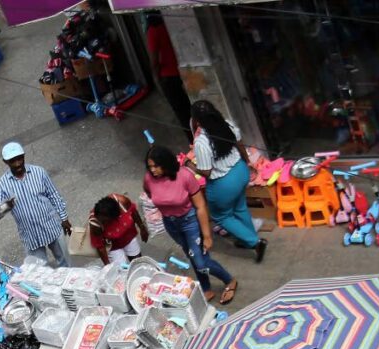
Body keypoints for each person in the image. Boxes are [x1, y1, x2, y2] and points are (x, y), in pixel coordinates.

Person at [143, 145, 237, 304]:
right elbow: (151, 194)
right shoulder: (148, 179)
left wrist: (207, 236)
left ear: (166, 163)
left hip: (190, 222)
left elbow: (200, 206)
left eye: (156, 166)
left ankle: (229, 280)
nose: (153, 170)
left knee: (201, 261)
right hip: (171, 224)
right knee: (193, 255)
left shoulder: (185, 176)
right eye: (150, 166)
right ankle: (206, 287)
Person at [187, 100, 267, 263]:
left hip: (223, 182)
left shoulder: (202, 142)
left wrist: (190, 166)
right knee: (239, 206)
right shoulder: (227, 125)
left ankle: (255, 242)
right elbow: (240, 145)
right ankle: (249, 239)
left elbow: (207, 172)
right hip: (240, 170)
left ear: (196, 120)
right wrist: (248, 164)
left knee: (220, 216)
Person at [0, 142, 72, 267]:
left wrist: (64, 218)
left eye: (20, 158)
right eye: (13, 161)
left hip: (52, 226)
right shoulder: (1, 186)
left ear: (24, 156)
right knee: (39, 272)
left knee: (65, 262)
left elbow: (53, 194)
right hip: (30, 235)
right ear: (5, 162)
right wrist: (1, 209)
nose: (18, 163)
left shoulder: (39, 172)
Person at [145, 12, 192, 141]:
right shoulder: (169, 23)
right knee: (193, 106)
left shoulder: (153, 30)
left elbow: (154, 60)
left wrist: (156, 79)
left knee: (183, 113)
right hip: (185, 70)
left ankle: (194, 143)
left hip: (169, 77)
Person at [88, 194, 149, 266]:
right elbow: (100, 247)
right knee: (122, 269)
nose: (101, 222)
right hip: (113, 247)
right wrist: (107, 265)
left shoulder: (123, 202)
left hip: (129, 236)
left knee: (137, 262)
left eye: (104, 221)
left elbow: (134, 212)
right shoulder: (95, 223)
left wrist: (142, 228)